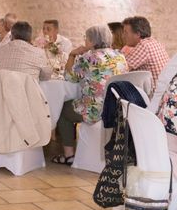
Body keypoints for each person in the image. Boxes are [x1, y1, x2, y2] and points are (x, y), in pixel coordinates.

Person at [53, 24, 128, 165]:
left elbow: (69, 77)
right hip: (117, 109)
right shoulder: (120, 56)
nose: (85, 41)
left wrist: (72, 54)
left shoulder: (88, 57)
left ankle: (69, 155)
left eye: (86, 38)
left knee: (62, 109)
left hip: (96, 111)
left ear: (93, 41)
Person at [122, 16, 169, 93]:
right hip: (165, 94)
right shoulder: (154, 42)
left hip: (155, 98)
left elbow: (120, 68)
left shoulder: (144, 46)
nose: (123, 36)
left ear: (137, 34)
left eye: (125, 32)